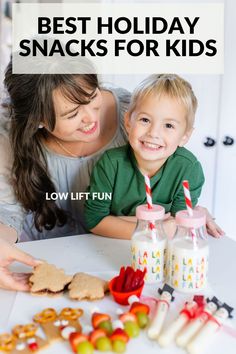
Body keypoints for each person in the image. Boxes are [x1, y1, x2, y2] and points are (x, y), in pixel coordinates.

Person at [0, 65, 223, 291]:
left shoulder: (137, 113)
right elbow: (8, 214)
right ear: (39, 121)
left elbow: (162, 180)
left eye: (92, 96)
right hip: (49, 258)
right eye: (72, 113)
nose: (90, 117)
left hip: (115, 259)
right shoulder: (8, 137)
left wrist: (185, 215)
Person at [84, 74, 220, 239]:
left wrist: (119, 221)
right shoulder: (111, 164)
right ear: (128, 121)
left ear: (185, 136)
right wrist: (152, 228)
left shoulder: (188, 169)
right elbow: (94, 221)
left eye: (169, 125)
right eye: (145, 120)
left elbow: (178, 225)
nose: (153, 133)